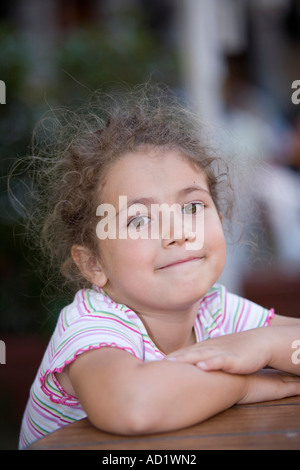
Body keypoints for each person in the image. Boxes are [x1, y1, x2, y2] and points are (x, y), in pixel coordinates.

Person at [17, 86, 300, 450]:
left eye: (192, 208)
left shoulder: (216, 311)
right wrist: (244, 385)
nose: (177, 233)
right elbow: (134, 407)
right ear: (92, 264)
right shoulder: (92, 325)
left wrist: (262, 343)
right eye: (139, 221)